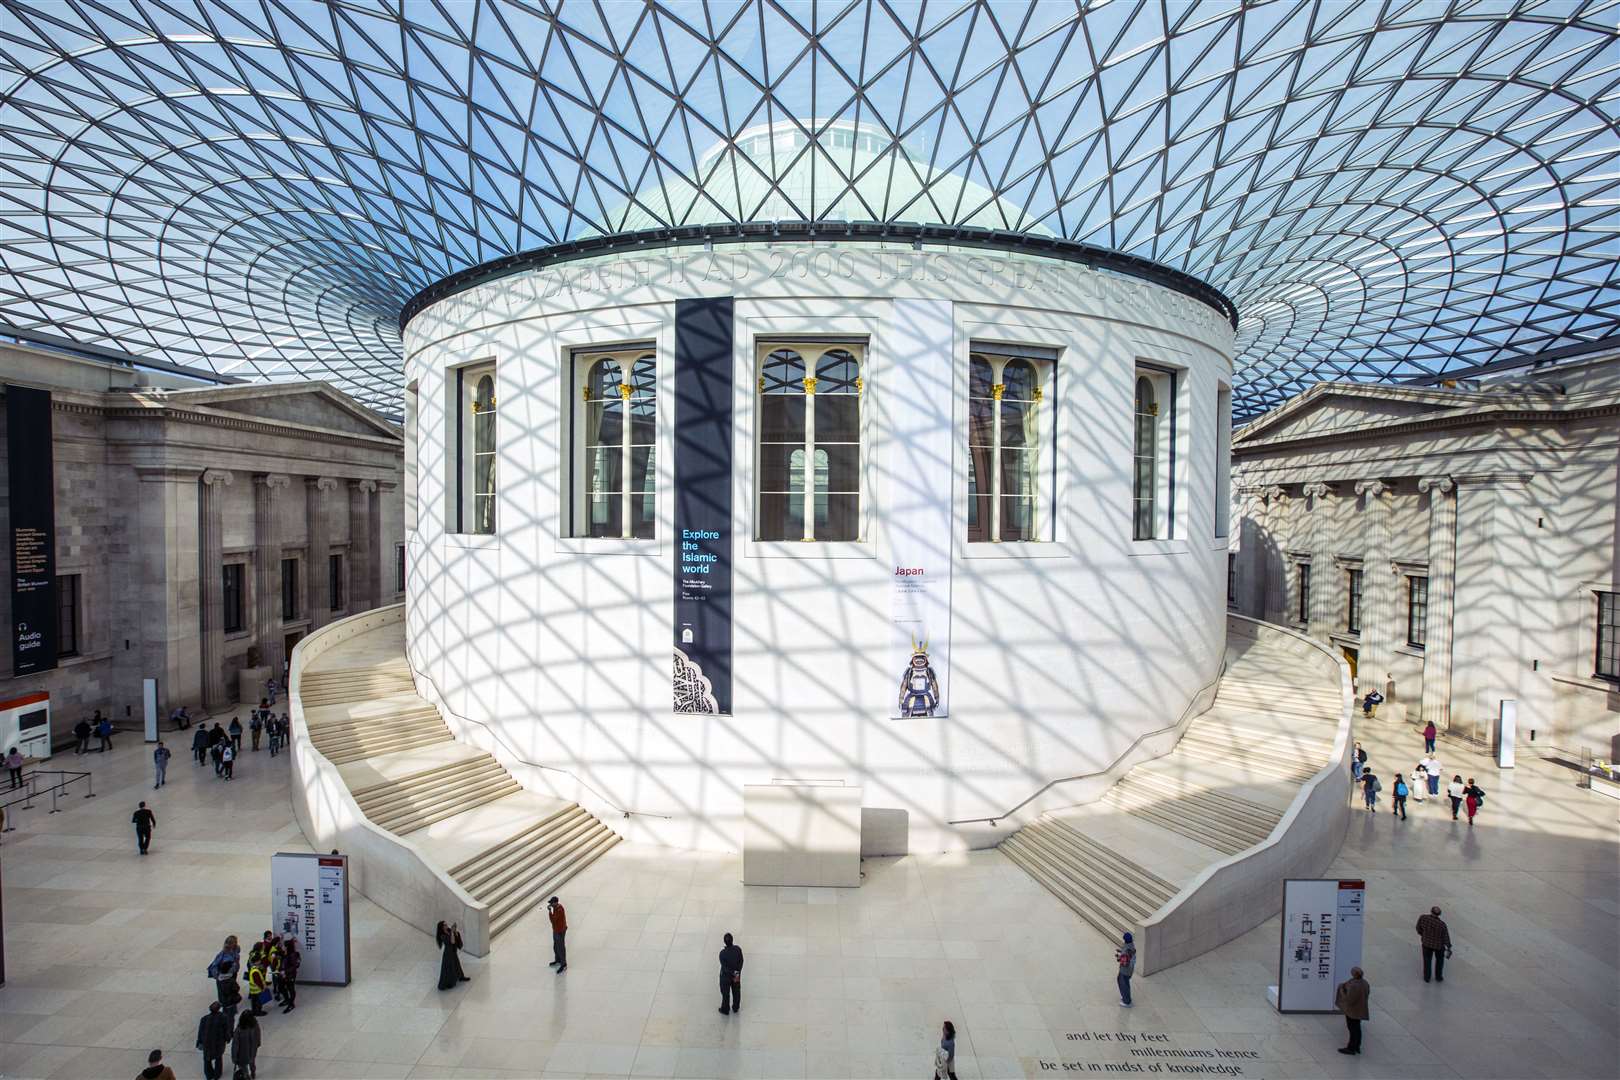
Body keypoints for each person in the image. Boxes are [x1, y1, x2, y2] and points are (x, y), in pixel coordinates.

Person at [1334, 966, 1370, 1055]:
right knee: (1357, 1028)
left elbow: (1349, 999)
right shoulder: (1365, 983)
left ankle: (1351, 1048)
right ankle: (1357, 1046)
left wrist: (1342, 990)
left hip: (1353, 1011)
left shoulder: (1354, 985)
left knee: (1352, 1029)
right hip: (1360, 1009)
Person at [195, 1001, 233, 1080]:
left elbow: (200, 1031)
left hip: (207, 1043)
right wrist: (228, 1038)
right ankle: (217, 1074)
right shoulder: (223, 1017)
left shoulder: (204, 1019)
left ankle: (209, 1074)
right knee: (218, 1058)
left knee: (207, 1060)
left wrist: (199, 1041)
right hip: (218, 1043)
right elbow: (226, 1030)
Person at [1416, 906, 1451, 982]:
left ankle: (1427, 977)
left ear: (1431, 911)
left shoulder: (1423, 918)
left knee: (1427, 961)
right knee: (1439, 961)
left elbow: (1418, 928)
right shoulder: (1442, 925)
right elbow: (1445, 937)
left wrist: (1423, 935)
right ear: (1439, 914)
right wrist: (1448, 946)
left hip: (1426, 943)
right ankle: (1438, 977)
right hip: (1438, 946)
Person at [436, 920, 469, 989]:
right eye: (444, 925)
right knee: (449, 968)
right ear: (441, 927)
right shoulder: (442, 935)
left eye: (446, 924)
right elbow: (452, 941)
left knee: (457, 964)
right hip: (448, 953)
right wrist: (452, 932)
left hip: (453, 951)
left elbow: (456, 936)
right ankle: (449, 982)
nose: (446, 925)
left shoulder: (449, 930)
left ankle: (460, 977)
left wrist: (455, 932)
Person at [230, 1010, 260, 1079]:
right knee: (252, 1062)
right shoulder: (255, 1025)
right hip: (252, 1050)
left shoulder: (239, 1030)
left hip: (242, 1053)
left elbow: (235, 1045)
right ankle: (253, 1073)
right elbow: (258, 1035)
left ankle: (246, 1077)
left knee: (243, 1067)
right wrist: (258, 1043)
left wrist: (234, 1057)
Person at [718, 932, 743, 1015]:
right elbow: (741, 961)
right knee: (736, 991)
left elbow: (724, 967)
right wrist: (737, 971)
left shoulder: (722, 954)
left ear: (724, 942)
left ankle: (725, 1009)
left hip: (726, 976)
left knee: (725, 992)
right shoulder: (738, 949)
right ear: (732, 940)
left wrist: (731, 972)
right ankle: (736, 1007)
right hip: (736, 974)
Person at [1116, 931, 1136, 1006]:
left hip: (1125, 971)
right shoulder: (1131, 946)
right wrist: (1121, 952)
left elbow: (1124, 962)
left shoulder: (1127, 949)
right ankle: (1125, 997)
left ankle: (1126, 1001)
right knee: (1124, 983)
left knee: (1123, 984)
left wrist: (1119, 957)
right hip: (1130, 970)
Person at [548, 896, 568, 973]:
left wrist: (550, 912)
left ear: (556, 902)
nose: (551, 904)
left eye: (552, 903)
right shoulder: (556, 908)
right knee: (556, 946)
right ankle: (558, 960)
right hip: (556, 930)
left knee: (561, 947)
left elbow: (553, 920)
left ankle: (563, 964)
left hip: (560, 931)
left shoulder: (559, 910)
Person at [280, 936, 300, 1012]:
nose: (282, 947)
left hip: (290, 975)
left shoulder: (292, 955)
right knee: (281, 987)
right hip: (283, 974)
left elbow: (294, 966)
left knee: (291, 989)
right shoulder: (285, 953)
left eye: (284, 946)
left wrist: (285, 972)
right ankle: (287, 999)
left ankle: (291, 1004)